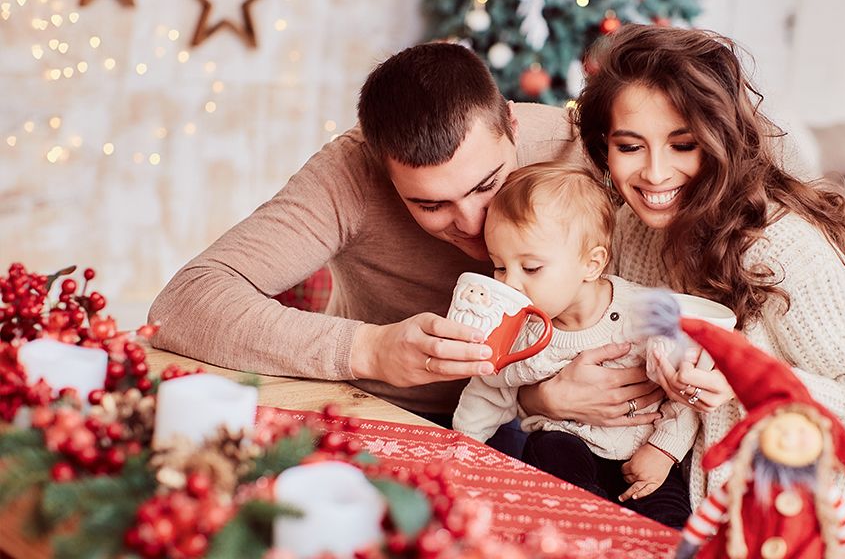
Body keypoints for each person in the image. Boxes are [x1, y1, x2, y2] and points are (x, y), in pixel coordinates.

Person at [147, 42, 663, 428]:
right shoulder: (348, 174)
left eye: (488, 184)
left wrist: (538, 399)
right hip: (381, 410)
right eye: (430, 205)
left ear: (511, 124)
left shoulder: (574, 148)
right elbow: (184, 302)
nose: (474, 223)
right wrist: (371, 349)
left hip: (548, 425)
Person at [519, 24, 845, 509]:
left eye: (683, 144)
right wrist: (542, 398)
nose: (655, 174)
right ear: (604, 147)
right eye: (629, 147)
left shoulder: (782, 248)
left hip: (750, 519)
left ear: (721, 141)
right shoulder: (630, 225)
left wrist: (748, 382)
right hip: (638, 481)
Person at [452, 162, 697, 528]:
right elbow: (488, 389)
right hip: (567, 451)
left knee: (670, 518)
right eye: (500, 267)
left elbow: (684, 387)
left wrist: (663, 449)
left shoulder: (644, 314)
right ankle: (582, 520)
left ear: (592, 264)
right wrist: (461, 450)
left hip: (641, 456)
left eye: (531, 268)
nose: (510, 284)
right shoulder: (519, 330)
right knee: (549, 450)